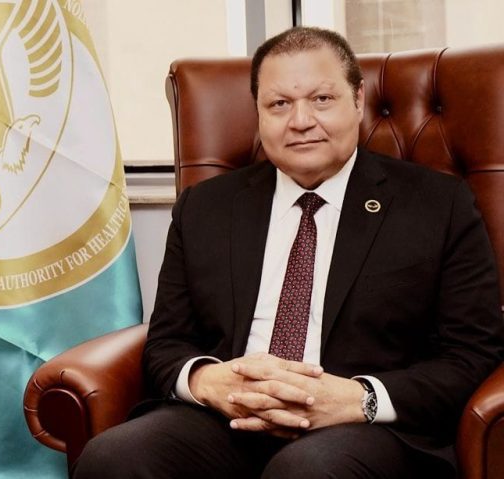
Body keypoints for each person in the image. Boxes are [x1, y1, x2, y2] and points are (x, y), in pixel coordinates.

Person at [72, 26, 504, 478]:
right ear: (258, 112)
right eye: (279, 104)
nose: (300, 121)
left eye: (322, 99)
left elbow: (472, 352)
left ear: (358, 100)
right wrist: (206, 380)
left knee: (307, 471)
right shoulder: (206, 207)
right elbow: (166, 341)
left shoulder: (437, 204)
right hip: (227, 418)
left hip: (361, 428)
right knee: (112, 457)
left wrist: (359, 398)